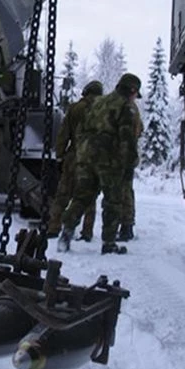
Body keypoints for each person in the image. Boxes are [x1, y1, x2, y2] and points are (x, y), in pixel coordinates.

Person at [57, 73, 142, 254]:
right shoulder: (125, 107)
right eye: (136, 94)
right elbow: (128, 138)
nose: (135, 98)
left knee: (81, 197)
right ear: (132, 90)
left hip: (86, 157)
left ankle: (66, 234)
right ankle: (108, 243)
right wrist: (130, 163)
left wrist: (82, 153)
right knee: (112, 201)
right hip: (109, 160)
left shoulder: (98, 102)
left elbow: (81, 128)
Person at [47, 80, 103, 241]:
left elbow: (63, 134)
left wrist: (59, 155)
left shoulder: (75, 108)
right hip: (93, 160)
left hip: (73, 158)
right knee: (89, 197)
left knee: (62, 194)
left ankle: (54, 227)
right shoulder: (104, 110)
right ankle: (86, 232)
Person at [116, 99, 143, 241]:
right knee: (126, 191)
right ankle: (126, 227)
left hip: (124, 156)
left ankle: (126, 228)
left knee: (124, 192)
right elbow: (140, 130)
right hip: (128, 156)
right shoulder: (133, 108)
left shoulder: (127, 108)